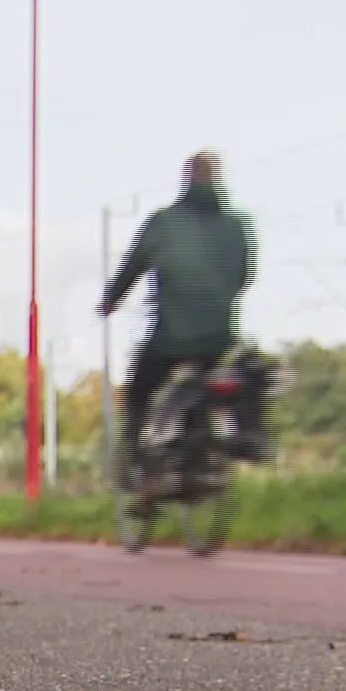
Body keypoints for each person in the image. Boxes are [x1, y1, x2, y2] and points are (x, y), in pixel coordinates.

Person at [98, 151, 261, 482]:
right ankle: (238, 439)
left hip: (172, 337)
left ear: (187, 179)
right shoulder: (238, 224)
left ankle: (136, 464)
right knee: (240, 374)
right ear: (219, 180)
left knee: (138, 391)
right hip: (221, 337)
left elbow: (132, 267)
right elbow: (245, 275)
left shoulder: (162, 223)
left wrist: (110, 301)